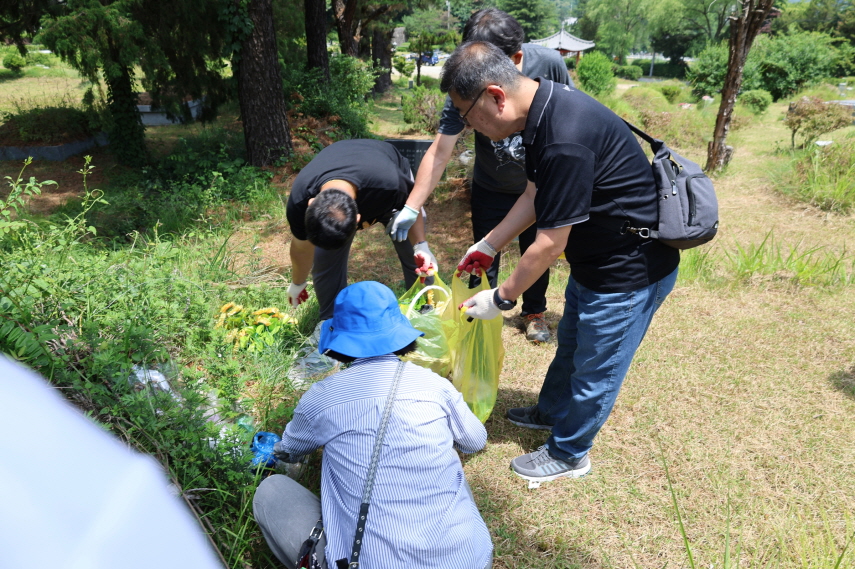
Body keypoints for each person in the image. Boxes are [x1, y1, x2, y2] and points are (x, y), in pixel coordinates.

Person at [444, 42, 680, 485]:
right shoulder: (542, 107)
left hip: (628, 272)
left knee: (597, 367)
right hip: (597, 262)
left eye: (466, 113)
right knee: (571, 346)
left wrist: (501, 296)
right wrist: (490, 245)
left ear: (496, 96)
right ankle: (550, 412)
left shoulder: (563, 137)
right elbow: (535, 194)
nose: (465, 124)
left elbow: (550, 244)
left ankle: (571, 453)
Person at [253, 281, 493, 569]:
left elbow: (289, 450)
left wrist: (277, 448)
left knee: (272, 490)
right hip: (470, 560)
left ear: (338, 339)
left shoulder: (323, 397)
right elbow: (475, 441)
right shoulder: (435, 385)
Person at [386, 8, 572, 344]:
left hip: (538, 187)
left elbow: (568, 116)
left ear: (513, 58)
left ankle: (534, 312)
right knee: (483, 256)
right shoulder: (465, 84)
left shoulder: (548, 65)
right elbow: (440, 151)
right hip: (492, 186)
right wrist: (412, 206)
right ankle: (481, 318)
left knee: (536, 250)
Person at [285, 139, 439, 379]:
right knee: (326, 257)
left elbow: (413, 203)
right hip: (348, 172)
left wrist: (422, 246)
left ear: (358, 219)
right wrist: (297, 282)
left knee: (413, 254)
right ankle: (331, 324)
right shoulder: (299, 200)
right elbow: (301, 247)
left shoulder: (390, 185)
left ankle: (426, 311)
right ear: (311, 204)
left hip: (386, 174)